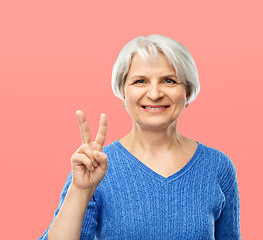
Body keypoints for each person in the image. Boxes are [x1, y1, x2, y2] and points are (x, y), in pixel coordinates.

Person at [38, 34, 241, 240]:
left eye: (169, 81)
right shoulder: (95, 165)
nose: (154, 94)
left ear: (187, 92)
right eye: (140, 81)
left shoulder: (218, 166)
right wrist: (80, 191)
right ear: (122, 92)